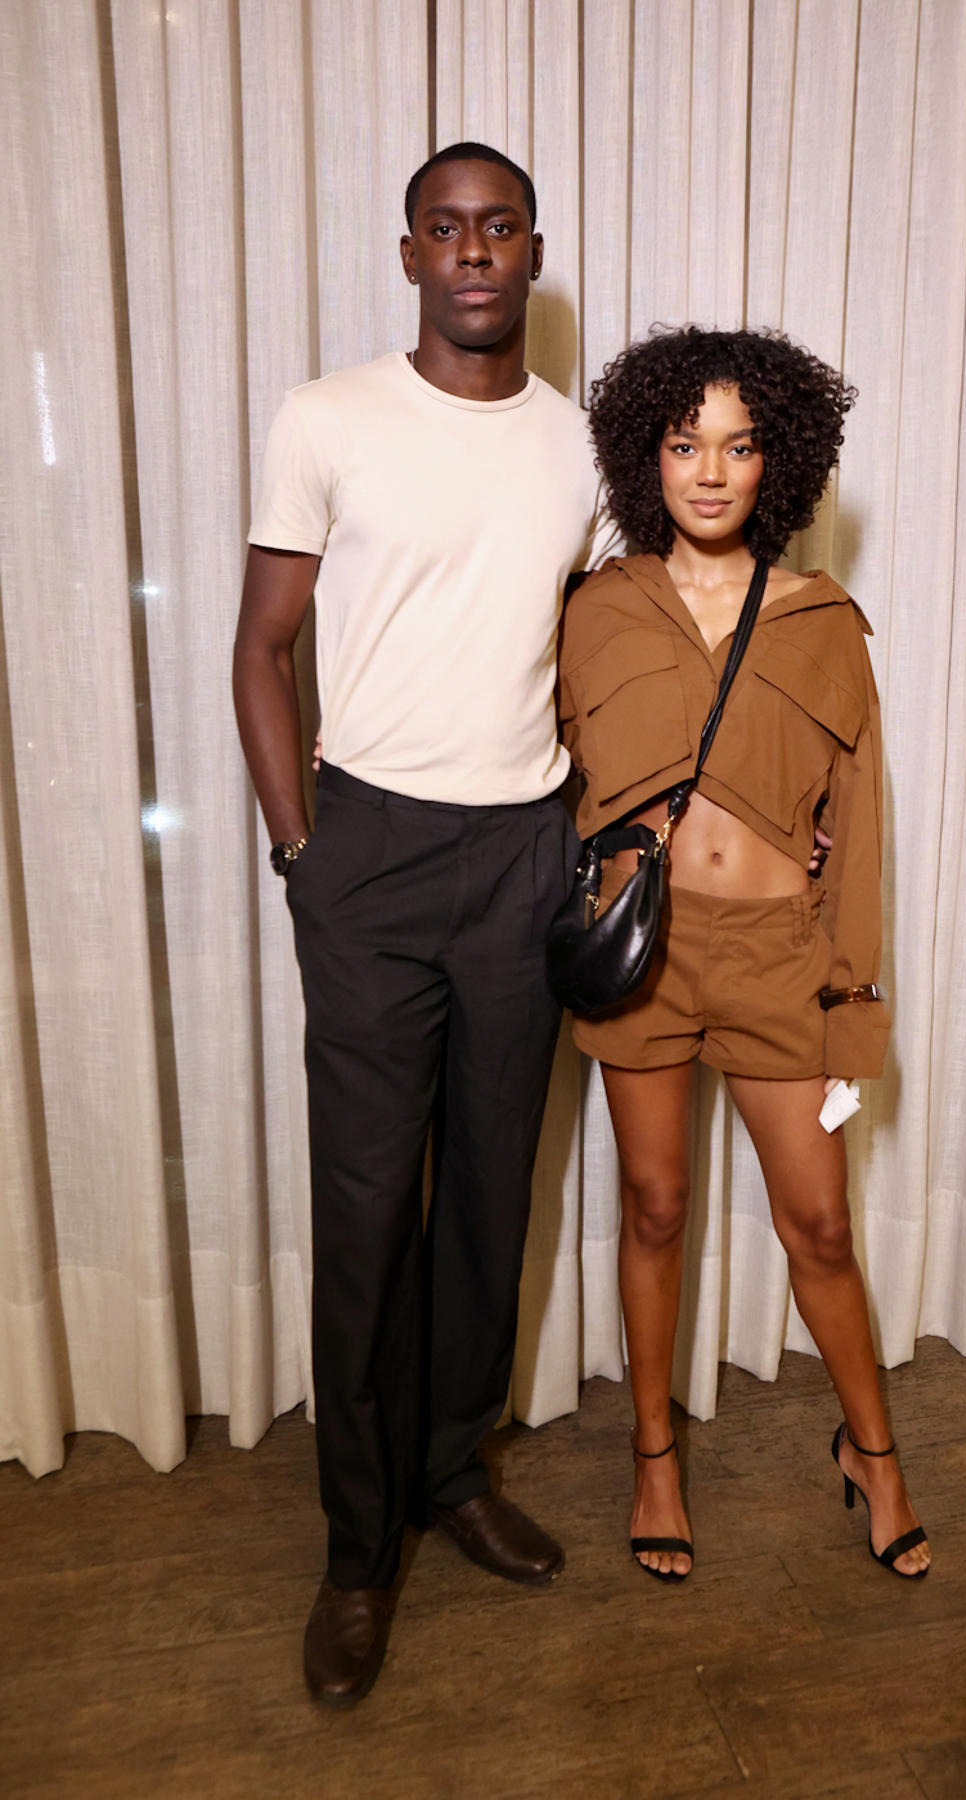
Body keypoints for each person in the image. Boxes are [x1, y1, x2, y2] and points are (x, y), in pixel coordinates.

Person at [232, 141, 615, 1708]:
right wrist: (302, 855)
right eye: (445, 229)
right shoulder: (327, 419)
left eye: (498, 226)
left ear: (533, 252)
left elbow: (606, 651)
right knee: (369, 1208)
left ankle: (453, 1472)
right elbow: (262, 646)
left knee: (489, 1200)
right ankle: (354, 1550)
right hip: (371, 855)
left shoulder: (581, 448)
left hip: (525, 851)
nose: (472, 251)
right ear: (408, 255)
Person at [558, 327, 931, 1583]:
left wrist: (852, 1000)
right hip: (642, 951)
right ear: (646, 457)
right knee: (655, 1206)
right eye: (684, 444)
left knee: (818, 1223)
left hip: (777, 954)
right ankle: (653, 1456)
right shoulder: (595, 609)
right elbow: (531, 766)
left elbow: (858, 828)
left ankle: (873, 1453)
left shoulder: (825, 622)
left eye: (739, 445)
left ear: (781, 463)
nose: (710, 472)